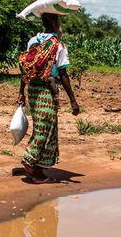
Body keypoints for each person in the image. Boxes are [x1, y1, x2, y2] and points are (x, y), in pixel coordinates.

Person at [17, 13, 80, 184]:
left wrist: (22, 92)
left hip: (33, 89)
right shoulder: (58, 45)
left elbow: (26, 69)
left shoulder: (33, 41)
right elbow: (63, 74)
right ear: (55, 22)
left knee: (45, 126)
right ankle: (30, 162)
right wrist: (73, 100)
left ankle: (38, 168)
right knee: (45, 127)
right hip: (46, 89)